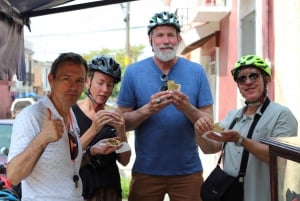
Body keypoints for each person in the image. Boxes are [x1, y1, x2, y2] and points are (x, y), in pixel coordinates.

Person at [117, 11, 214, 201]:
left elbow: (209, 121)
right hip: (146, 171)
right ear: (150, 40)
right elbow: (122, 123)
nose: (166, 40)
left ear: (178, 39)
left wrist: (187, 108)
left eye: (171, 35)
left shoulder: (196, 71)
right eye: (159, 35)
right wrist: (148, 109)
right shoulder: (133, 72)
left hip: (188, 172)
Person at [195, 55, 298, 201]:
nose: (248, 82)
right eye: (241, 79)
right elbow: (210, 148)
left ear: (266, 79)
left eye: (254, 76)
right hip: (230, 194)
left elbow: (279, 158)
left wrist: (241, 140)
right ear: (238, 85)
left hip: (263, 196)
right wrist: (198, 130)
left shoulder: (282, 115)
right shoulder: (232, 116)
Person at [6, 52, 88, 201]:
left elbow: (65, 165)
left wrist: (92, 152)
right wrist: (42, 139)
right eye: (66, 79)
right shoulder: (32, 115)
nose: (73, 87)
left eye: (79, 80)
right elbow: (13, 175)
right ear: (51, 80)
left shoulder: (70, 113)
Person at [72, 55, 131, 201]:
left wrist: (122, 131)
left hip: (110, 190)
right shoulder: (71, 113)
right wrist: (94, 129)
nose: (105, 89)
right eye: (100, 83)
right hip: (80, 190)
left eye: (110, 85)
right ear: (87, 82)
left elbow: (125, 160)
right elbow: (67, 155)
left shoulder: (114, 116)